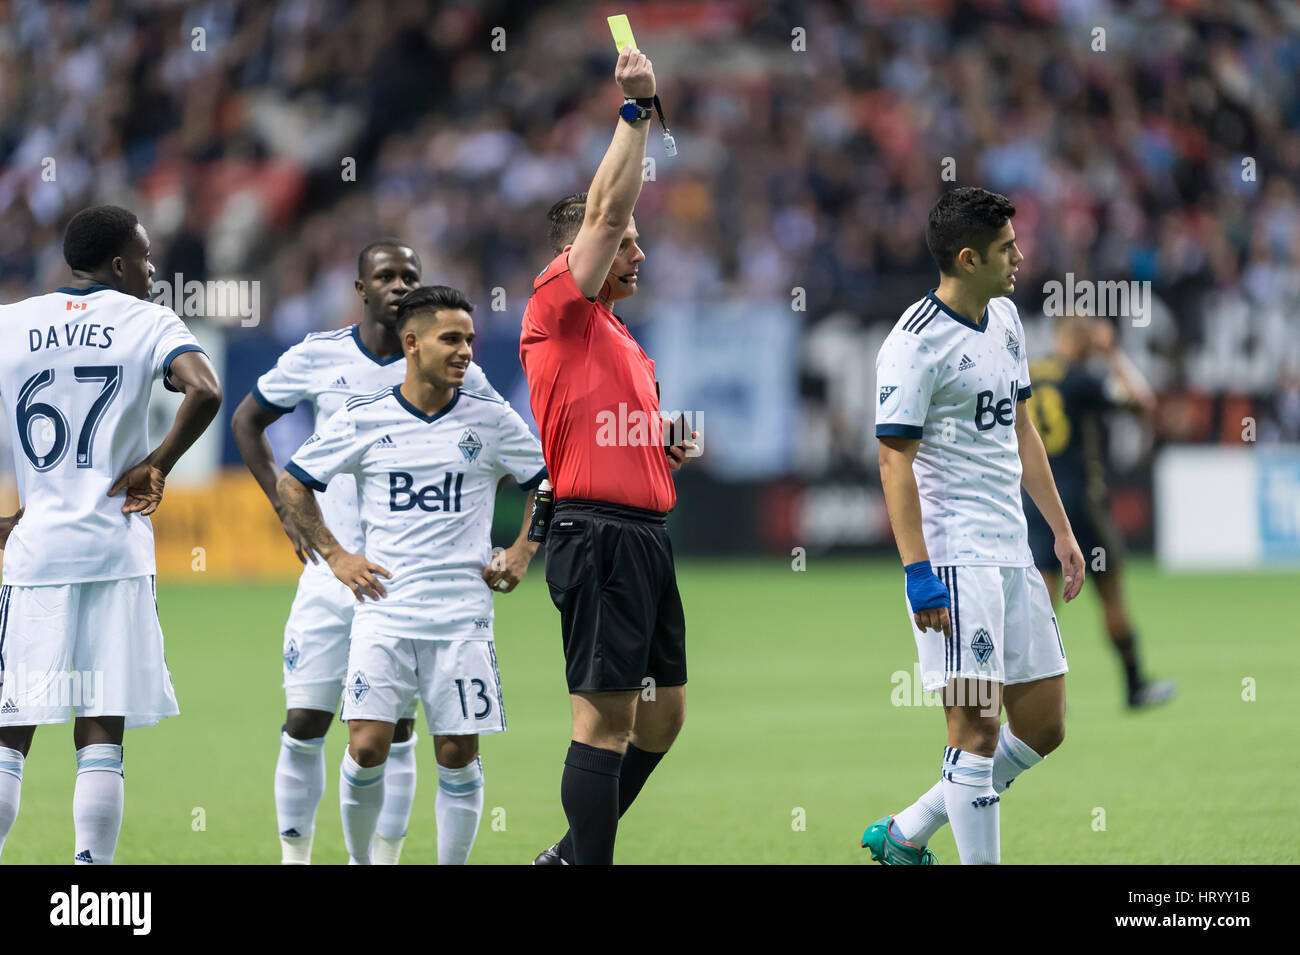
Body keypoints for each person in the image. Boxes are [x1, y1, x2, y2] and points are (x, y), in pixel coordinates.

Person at [231, 239, 504, 864]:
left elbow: (504, 443)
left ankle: (381, 860)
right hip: (332, 572)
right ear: (361, 288)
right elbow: (247, 419)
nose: (400, 284)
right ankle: (295, 858)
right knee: (305, 721)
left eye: (411, 274)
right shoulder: (318, 356)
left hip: (404, 582)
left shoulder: (452, 367)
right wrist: (284, 509)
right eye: (386, 275)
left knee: (393, 732)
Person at [277, 285, 545, 865]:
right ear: (412, 343)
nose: (465, 351)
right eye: (451, 339)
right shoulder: (364, 418)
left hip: (461, 618)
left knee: (455, 752)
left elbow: (545, 483)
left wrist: (523, 551)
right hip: (385, 613)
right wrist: (337, 555)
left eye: (470, 340)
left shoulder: (492, 419)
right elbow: (293, 481)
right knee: (367, 747)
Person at [863, 187, 1084, 865]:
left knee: (1044, 724)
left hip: (1013, 552)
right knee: (976, 729)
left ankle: (906, 831)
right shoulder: (913, 345)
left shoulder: (1007, 319)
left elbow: (1021, 429)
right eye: (1005, 249)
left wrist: (1063, 531)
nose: (1019, 256)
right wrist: (918, 570)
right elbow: (893, 460)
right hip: (956, 562)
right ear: (967, 257)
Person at [0, 204, 222, 863]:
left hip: (34, 552)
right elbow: (204, 390)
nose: (154, 271)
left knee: (9, 730)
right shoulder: (150, 321)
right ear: (121, 263)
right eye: (147, 258)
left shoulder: (13, 321)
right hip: (115, 547)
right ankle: (90, 873)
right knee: (100, 730)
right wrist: (157, 464)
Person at [521, 46, 698, 866]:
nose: (638, 254)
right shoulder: (557, 304)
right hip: (597, 537)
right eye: (625, 244)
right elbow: (601, 212)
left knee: (661, 717)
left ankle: (567, 854)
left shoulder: (619, 337)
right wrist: (637, 111)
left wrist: (659, 441)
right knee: (603, 721)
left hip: (642, 537)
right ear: (579, 255)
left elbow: (599, 429)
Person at [1024, 315, 1175, 709]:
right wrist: (1114, 356)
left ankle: (1038, 698)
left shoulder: (1030, 373)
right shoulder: (1081, 379)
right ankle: (1135, 685)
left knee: (1042, 601)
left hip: (1035, 499)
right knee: (1111, 595)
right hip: (1080, 502)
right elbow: (1143, 404)